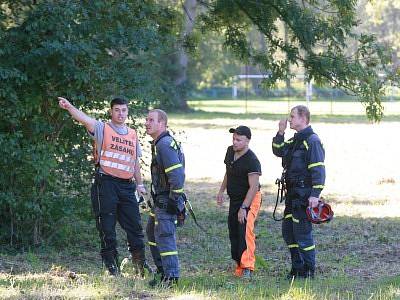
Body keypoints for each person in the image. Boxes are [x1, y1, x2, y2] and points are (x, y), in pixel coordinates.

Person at [58, 96, 147, 276]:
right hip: (105, 184)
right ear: (111, 111)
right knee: (107, 227)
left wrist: (140, 184)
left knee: (135, 227)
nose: (120, 114)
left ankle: (140, 265)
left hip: (127, 186)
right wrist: (69, 107)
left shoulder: (133, 134)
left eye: (123, 110)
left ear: (127, 112)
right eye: (117, 110)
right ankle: (111, 266)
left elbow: (134, 162)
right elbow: (83, 118)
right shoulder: (102, 128)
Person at [272, 105, 325, 279]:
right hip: (292, 195)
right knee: (289, 232)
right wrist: (280, 132)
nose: (289, 120)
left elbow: (318, 170)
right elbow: (278, 150)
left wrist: (315, 195)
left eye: (292, 116)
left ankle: (308, 271)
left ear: (303, 118)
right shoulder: (295, 140)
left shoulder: (312, 140)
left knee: (302, 234)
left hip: (304, 196)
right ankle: (297, 268)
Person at [145, 109, 185, 286]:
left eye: (151, 120)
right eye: (147, 120)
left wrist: (173, 200)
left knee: (165, 236)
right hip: (160, 200)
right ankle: (163, 273)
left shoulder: (164, 145)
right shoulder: (159, 143)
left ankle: (171, 278)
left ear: (162, 124)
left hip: (167, 200)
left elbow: (177, 176)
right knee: (151, 233)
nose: (147, 123)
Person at [217, 125, 262, 279]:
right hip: (235, 199)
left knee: (245, 231)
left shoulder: (252, 161)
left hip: (250, 198)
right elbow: (228, 172)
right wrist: (221, 190)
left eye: (239, 140)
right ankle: (239, 265)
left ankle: (248, 267)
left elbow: (254, 187)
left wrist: (244, 207)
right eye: (234, 139)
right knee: (234, 230)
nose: (235, 142)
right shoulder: (230, 151)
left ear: (247, 141)